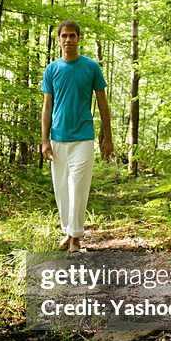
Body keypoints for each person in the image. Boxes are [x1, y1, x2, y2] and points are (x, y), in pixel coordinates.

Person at [41, 20, 113, 252]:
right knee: (61, 190)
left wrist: (107, 137)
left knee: (78, 188)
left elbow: (103, 104)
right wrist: (44, 141)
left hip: (83, 137)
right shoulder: (52, 69)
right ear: (59, 39)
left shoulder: (91, 67)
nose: (68, 40)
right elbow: (47, 107)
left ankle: (76, 239)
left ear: (79, 38)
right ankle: (69, 232)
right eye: (64, 36)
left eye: (72, 35)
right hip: (58, 138)